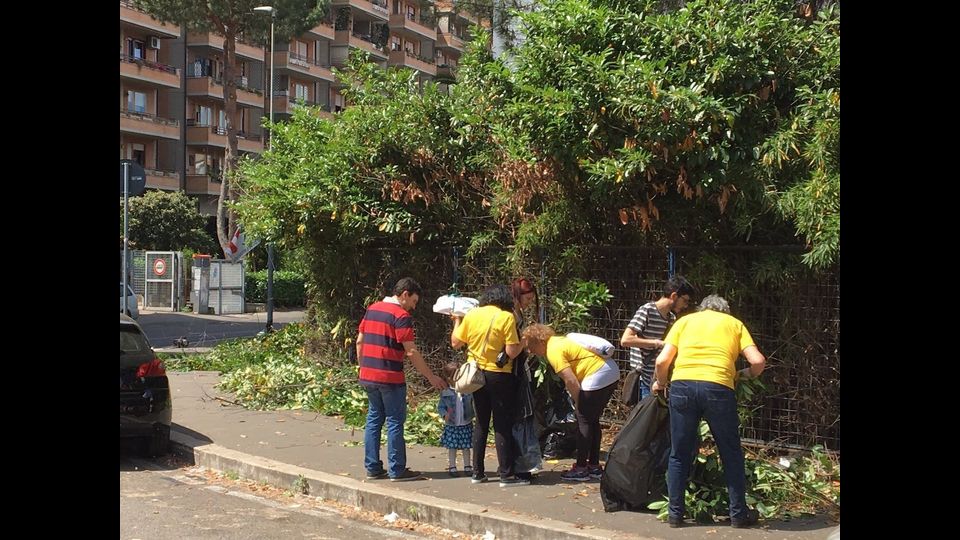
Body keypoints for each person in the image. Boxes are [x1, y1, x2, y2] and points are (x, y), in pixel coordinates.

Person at [652, 294, 766, 529]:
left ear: (702, 309)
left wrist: (661, 383)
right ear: (725, 311)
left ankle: (675, 515)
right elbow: (757, 361)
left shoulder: (684, 321)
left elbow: (662, 361)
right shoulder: (734, 324)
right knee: (730, 452)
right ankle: (738, 514)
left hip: (683, 385)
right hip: (718, 387)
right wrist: (742, 375)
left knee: (679, 453)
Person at [356, 277, 446, 482]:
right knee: (395, 421)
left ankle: (372, 467)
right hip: (390, 376)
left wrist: (363, 367)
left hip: (368, 374)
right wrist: (431, 376)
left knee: (373, 419)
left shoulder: (372, 309)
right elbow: (411, 351)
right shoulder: (401, 316)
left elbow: (360, 341)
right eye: (413, 301)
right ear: (405, 294)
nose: (413, 307)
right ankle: (397, 469)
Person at [522, 323, 620, 482]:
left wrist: (578, 401)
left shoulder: (553, 351)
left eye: (531, 347)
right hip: (610, 371)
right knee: (592, 420)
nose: (530, 351)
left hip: (597, 374)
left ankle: (581, 468)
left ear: (540, 341)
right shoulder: (559, 341)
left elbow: (571, 380)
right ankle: (594, 466)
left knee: (583, 420)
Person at [450, 284, 527, 487]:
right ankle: (506, 475)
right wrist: (524, 342)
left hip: (476, 375)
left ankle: (477, 473)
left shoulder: (472, 314)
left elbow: (455, 342)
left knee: (481, 422)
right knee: (501, 423)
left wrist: (457, 320)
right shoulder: (506, 317)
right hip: (499, 375)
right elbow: (511, 352)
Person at [620, 275, 694, 402]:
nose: (686, 306)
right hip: (643, 379)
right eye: (685, 301)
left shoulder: (671, 318)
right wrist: (656, 343)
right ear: (674, 296)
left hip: (657, 380)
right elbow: (626, 340)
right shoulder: (647, 311)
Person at [438, 362, 475, 477]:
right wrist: (444, 414)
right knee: (452, 447)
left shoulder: (467, 390)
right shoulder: (446, 392)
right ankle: (452, 466)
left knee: (466, 446)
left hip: (466, 423)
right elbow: (440, 407)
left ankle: (467, 466)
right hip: (452, 425)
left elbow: (473, 404)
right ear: (449, 378)